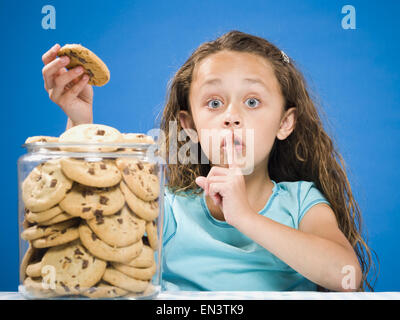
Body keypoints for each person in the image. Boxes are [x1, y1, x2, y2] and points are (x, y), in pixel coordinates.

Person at [41, 30, 377, 292]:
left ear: (284, 123)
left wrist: (244, 217)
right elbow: (89, 247)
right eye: (214, 103)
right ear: (190, 127)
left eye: (252, 101)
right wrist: (79, 121)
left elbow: (345, 276)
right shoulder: (167, 209)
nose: (232, 116)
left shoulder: (302, 203)